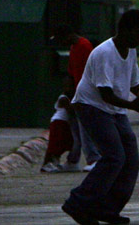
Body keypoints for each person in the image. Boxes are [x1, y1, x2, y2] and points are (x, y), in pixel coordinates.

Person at [63, 8, 139, 225]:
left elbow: (135, 85)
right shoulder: (103, 53)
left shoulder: (130, 50)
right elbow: (105, 94)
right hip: (91, 106)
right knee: (114, 156)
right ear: (125, 30)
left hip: (114, 109)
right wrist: (136, 106)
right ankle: (78, 202)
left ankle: (106, 209)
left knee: (130, 159)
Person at [54, 22, 96, 170]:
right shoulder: (74, 47)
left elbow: (90, 72)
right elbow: (72, 73)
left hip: (86, 95)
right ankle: (73, 160)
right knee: (75, 129)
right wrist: (67, 95)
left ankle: (94, 159)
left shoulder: (84, 46)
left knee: (85, 129)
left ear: (67, 36)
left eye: (61, 38)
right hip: (78, 94)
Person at [41, 95, 76, 172]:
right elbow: (70, 110)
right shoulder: (64, 98)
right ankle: (48, 164)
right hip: (59, 122)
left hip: (65, 123)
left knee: (63, 144)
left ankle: (55, 162)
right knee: (55, 144)